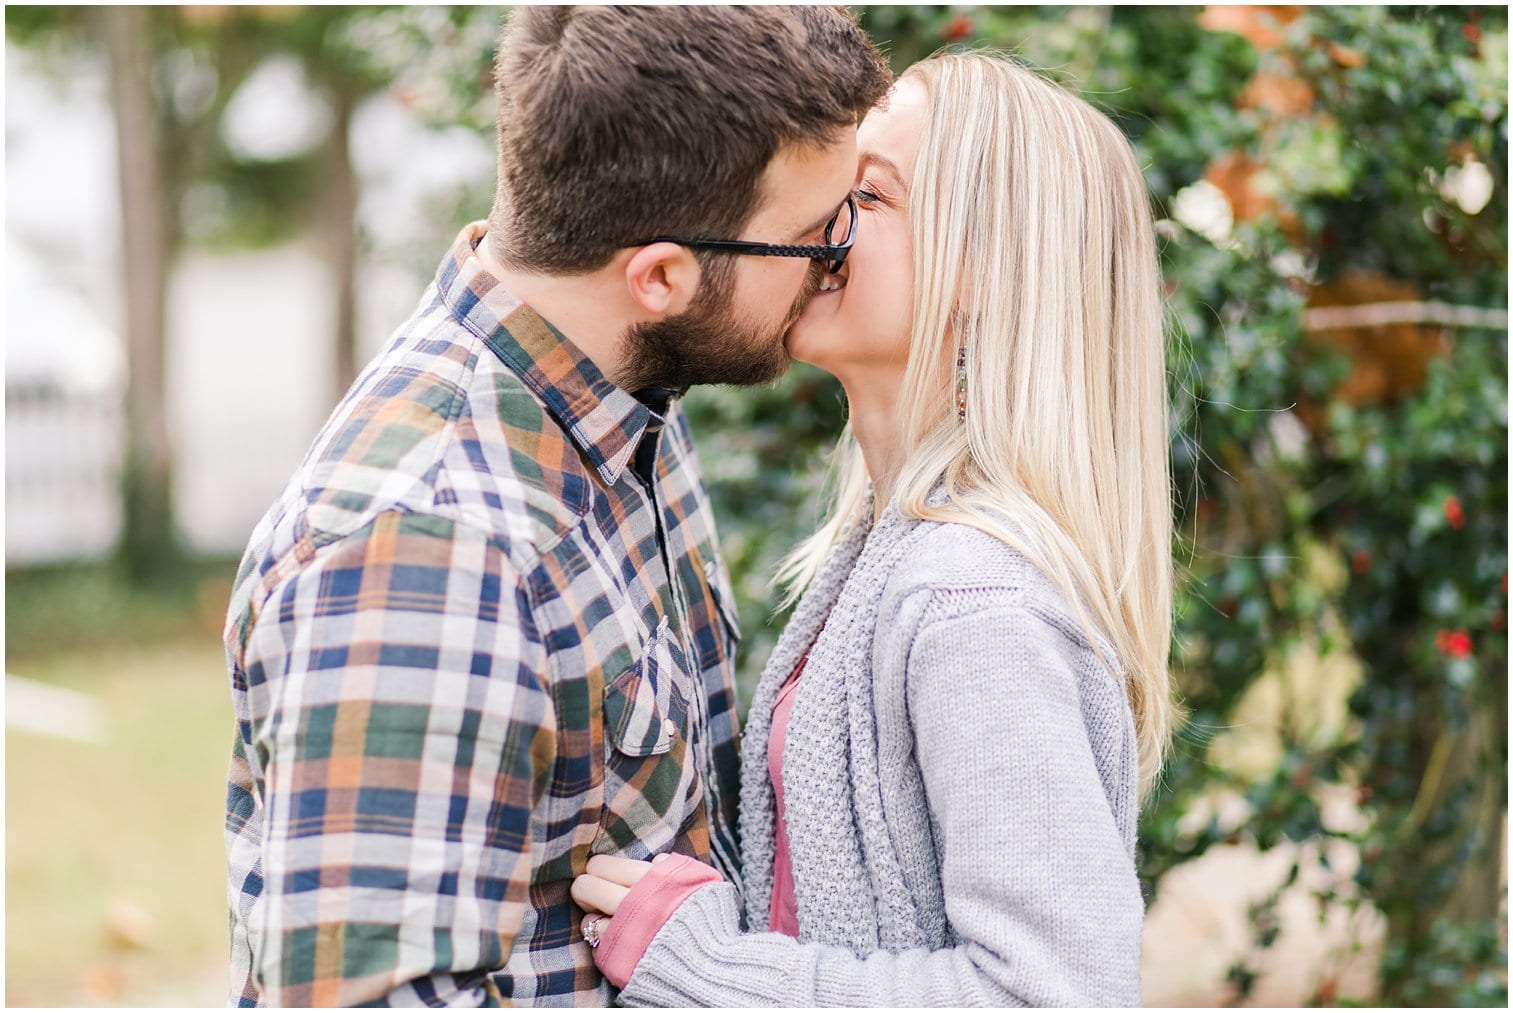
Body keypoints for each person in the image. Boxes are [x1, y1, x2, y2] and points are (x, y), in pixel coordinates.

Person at [221, 8, 891, 1006]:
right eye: (811, 236)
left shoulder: (618, 407)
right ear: (660, 276)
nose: (837, 258)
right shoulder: (434, 540)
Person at [570, 52, 1178, 1007]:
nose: (821, 227)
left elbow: (1054, 992)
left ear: (983, 269)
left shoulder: (974, 605)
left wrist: (707, 967)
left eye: (870, 194)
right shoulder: (886, 549)